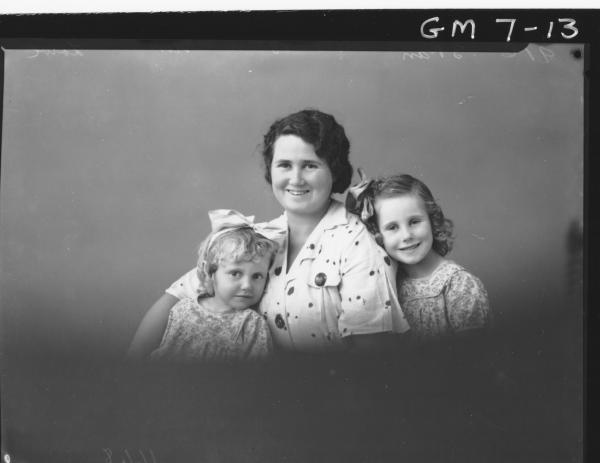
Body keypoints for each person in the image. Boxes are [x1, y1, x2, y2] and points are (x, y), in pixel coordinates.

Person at [138, 109, 410, 354]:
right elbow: (179, 295)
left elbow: (372, 355)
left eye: (310, 165)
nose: (296, 179)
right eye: (284, 165)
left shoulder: (359, 242)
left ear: (334, 170)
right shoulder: (259, 237)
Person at [347, 172, 491, 340]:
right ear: (377, 233)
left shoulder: (459, 284)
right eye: (392, 227)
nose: (407, 235)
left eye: (414, 222)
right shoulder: (386, 284)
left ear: (432, 220)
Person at [127, 209, 278, 362]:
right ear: (211, 272)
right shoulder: (183, 309)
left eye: (257, 276)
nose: (247, 285)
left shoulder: (252, 324)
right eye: (235, 273)